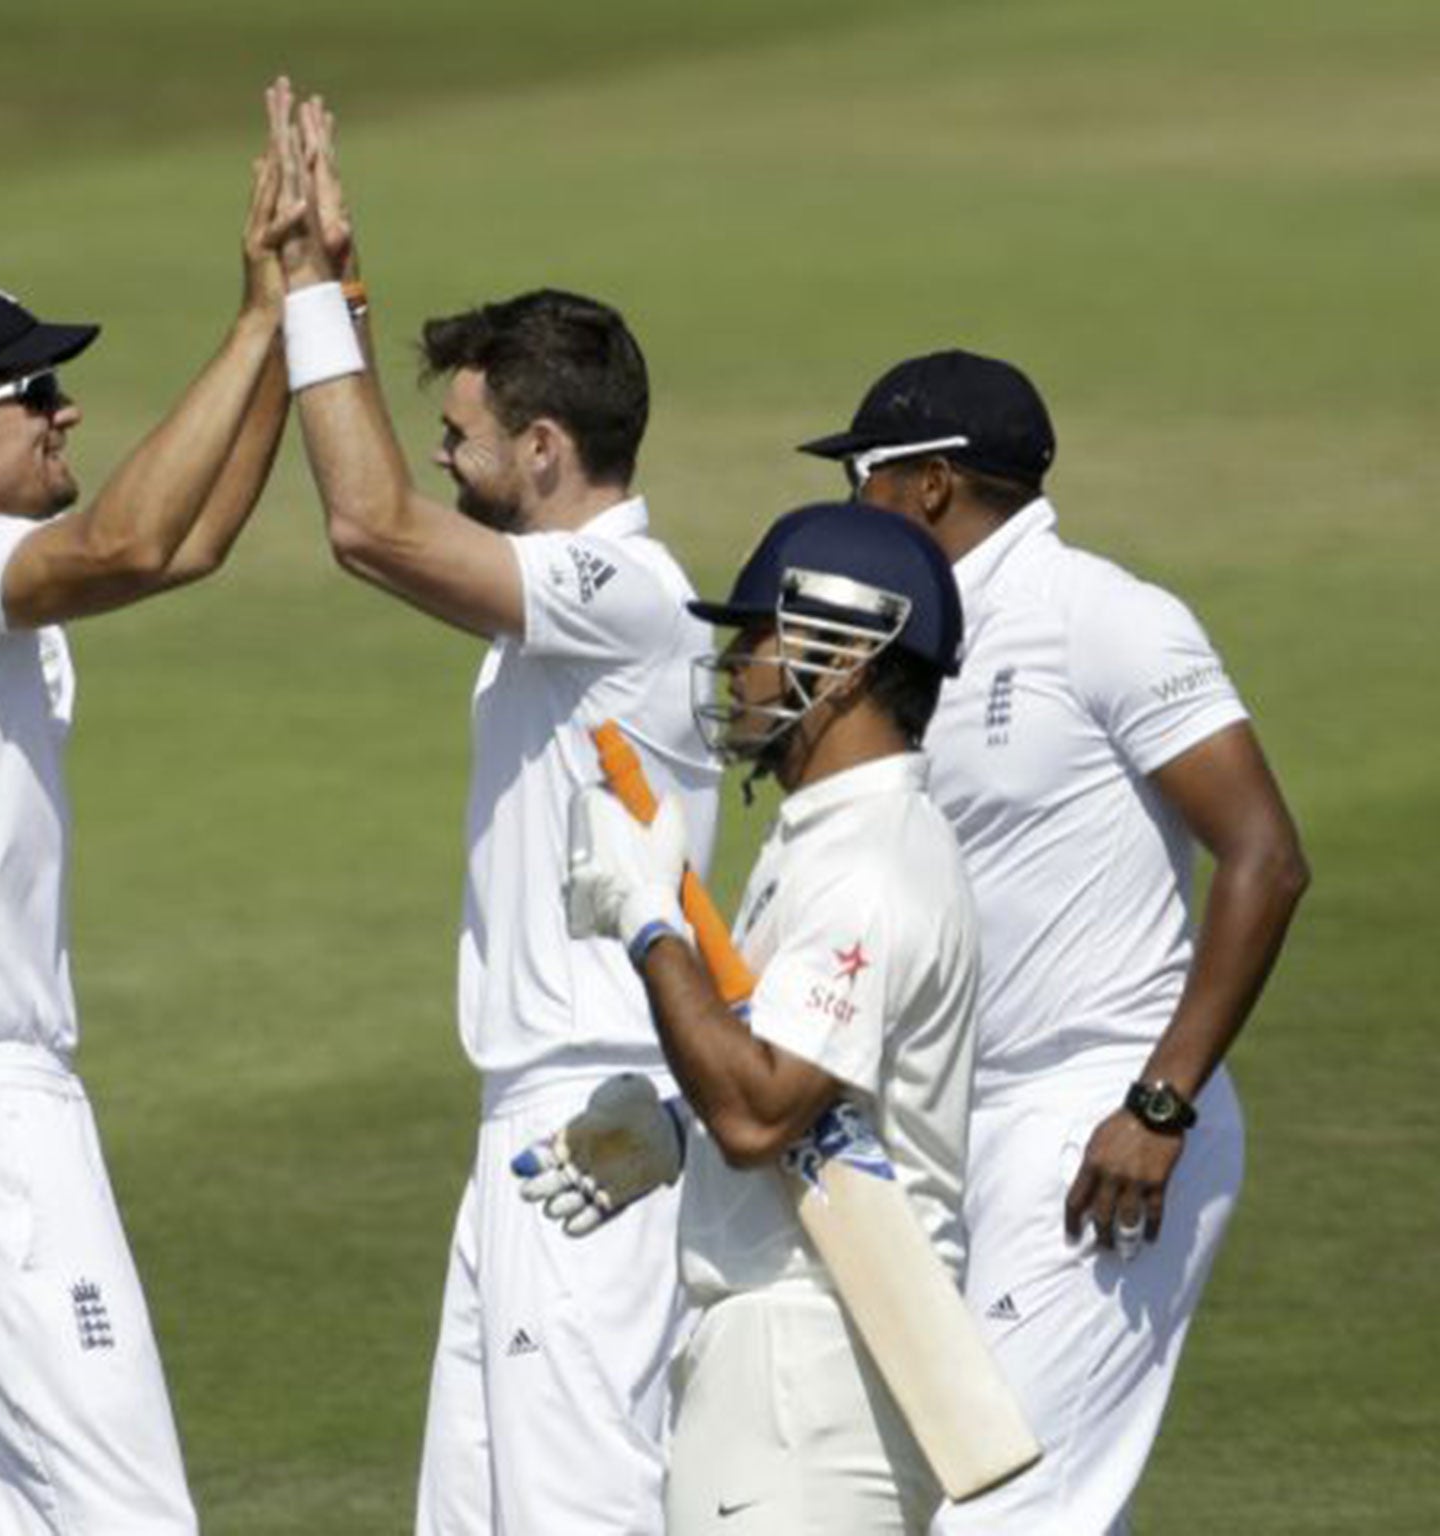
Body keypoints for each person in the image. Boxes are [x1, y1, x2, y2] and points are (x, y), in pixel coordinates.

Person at [0, 111, 297, 1536]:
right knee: (126, 1511)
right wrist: (257, 311)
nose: (66, 411)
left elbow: (195, 543)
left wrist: (302, 325)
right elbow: (133, 540)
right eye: (37, 392)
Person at [267, 90, 721, 1534]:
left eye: (462, 434)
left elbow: (369, 527)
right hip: (535, 1115)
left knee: (578, 1509)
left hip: (596, 1112)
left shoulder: (629, 595)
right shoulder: (570, 612)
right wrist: (334, 282)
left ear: (542, 448)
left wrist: (302, 307)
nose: (442, 461)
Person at [799, 350, 1310, 1533]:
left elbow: (1263, 858)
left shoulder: (1103, 615)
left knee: (1007, 1513)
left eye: (861, 478)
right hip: (950, 1125)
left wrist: (1159, 1106)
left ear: (928, 484)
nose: (847, 509)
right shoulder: (909, 642)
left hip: (1102, 1125)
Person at [523, 502, 981, 1534]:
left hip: (808, 1368)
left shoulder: (868, 864)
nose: (734, 663)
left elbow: (761, 1114)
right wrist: (673, 1133)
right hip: (793, 1360)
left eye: (757, 637)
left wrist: (652, 928)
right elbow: (795, 1089)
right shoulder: (822, 839)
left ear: (850, 661)